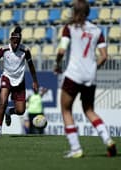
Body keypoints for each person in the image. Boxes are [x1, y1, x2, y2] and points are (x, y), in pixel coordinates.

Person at [54, 0, 117, 158]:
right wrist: (93, 68)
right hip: (90, 75)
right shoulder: (97, 30)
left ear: (74, 11)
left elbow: (61, 51)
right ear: (88, 12)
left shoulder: (70, 28)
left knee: (66, 110)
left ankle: (76, 149)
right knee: (89, 110)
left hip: (74, 74)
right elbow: (104, 56)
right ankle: (108, 140)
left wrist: (57, 64)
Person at [0, 25, 39, 138]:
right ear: (11, 40)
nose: (16, 44)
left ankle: (9, 112)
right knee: (2, 102)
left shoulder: (25, 51)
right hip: (7, 78)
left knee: (21, 111)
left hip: (19, 80)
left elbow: (31, 66)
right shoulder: (3, 50)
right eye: (14, 41)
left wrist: (35, 81)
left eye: (18, 42)